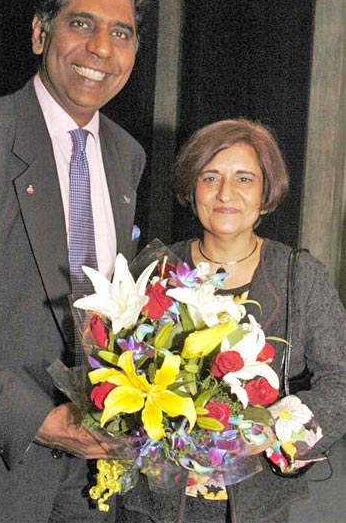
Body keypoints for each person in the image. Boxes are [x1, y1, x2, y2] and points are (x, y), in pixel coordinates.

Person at [0, 0, 149, 522]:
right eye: (82, 24)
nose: (102, 48)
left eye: (121, 33)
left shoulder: (129, 157)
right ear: (39, 34)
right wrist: (43, 422)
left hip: (94, 482)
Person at [118, 119, 346, 523]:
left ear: (266, 192)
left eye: (244, 178)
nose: (226, 193)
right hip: (155, 503)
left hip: (256, 504)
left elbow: (341, 382)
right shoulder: (155, 269)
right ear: (193, 188)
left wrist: (272, 429)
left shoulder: (299, 276)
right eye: (211, 177)